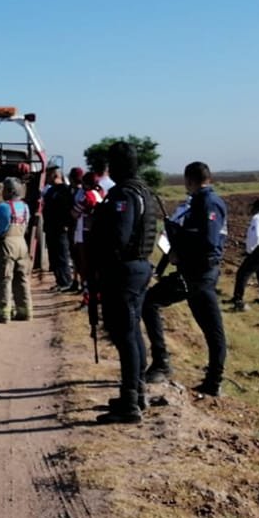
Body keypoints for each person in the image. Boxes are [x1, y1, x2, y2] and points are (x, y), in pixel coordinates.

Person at [142, 161, 229, 397]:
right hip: (195, 272)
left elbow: (208, 242)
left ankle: (163, 363)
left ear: (189, 180)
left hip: (199, 273)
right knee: (210, 327)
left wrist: (179, 242)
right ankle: (212, 380)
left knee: (151, 302)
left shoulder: (208, 203)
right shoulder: (200, 202)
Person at [88, 142, 157, 424]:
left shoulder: (125, 194)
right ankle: (136, 393)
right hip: (135, 269)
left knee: (125, 334)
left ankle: (130, 403)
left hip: (124, 272)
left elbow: (118, 237)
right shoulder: (142, 190)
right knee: (132, 331)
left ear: (117, 166)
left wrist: (101, 266)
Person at [0, 177, 33, 323]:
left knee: (3, 279)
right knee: (21, 278)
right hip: (22, 244)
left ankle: (2, 313)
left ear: (9, 191)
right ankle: (25, 312)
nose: (2, 192)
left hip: (6, 244)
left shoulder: (2, 207)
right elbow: (26, 226)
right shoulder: (25, 207)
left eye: (4, 189)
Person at [41, 166, 76, 290]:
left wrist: (66, 224)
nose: (47, 178)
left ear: (55, 176)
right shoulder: (51, 190)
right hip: (50, 228)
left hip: (60, 229)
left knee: (62, 256)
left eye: (48, 175)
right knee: (54, 257)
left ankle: (66, 282)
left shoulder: (65, 190)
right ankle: (59, 281)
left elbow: (68, 209)